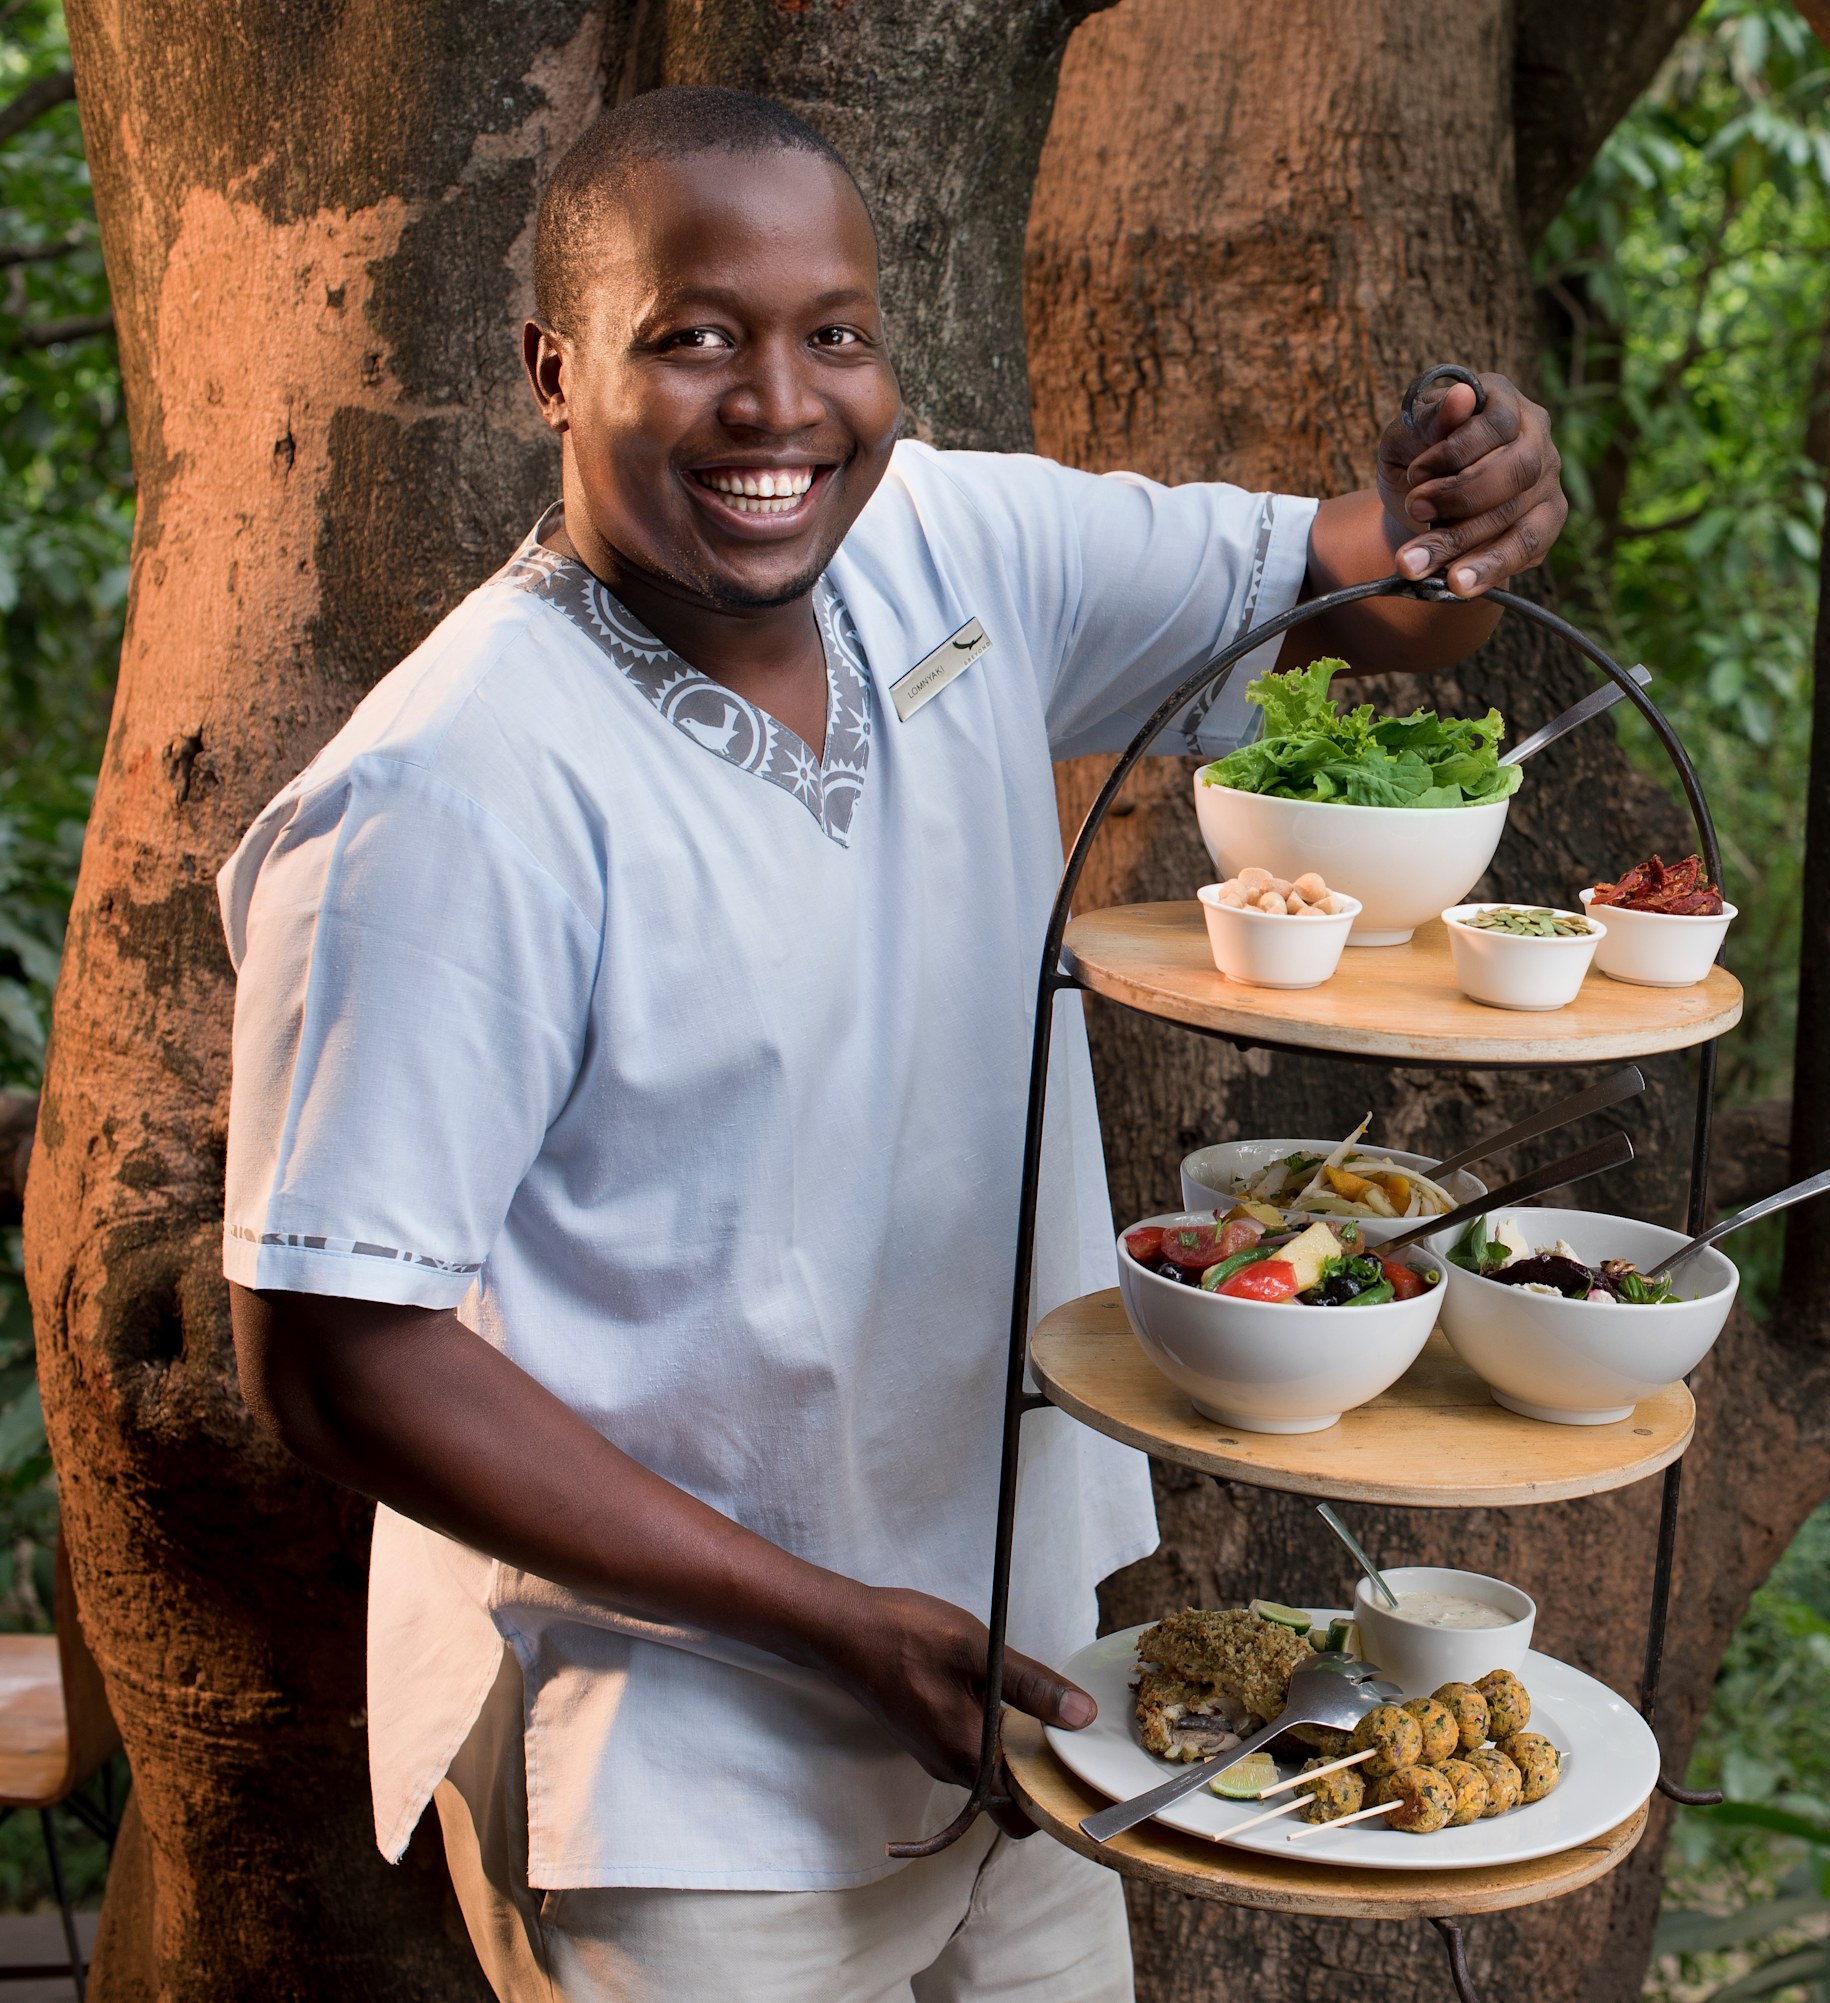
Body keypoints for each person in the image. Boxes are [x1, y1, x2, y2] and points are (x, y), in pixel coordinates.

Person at [219, 87, 1565, 2003]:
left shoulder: (956, 545)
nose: (780, 405)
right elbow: (339, 1357)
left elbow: (1364, 591)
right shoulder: (455, 794)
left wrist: (1465, 509)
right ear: (553, 369)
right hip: (680, 1770)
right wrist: (840, 1628)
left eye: (831, 332)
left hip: (1013, 1678)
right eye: (695, 338)